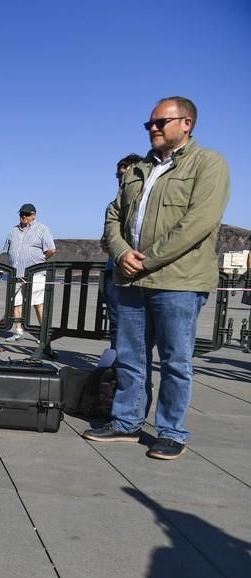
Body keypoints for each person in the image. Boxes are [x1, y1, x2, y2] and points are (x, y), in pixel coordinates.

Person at [84, 96, 230, 461]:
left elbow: (198, 223)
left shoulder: (208, 164)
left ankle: (171, 431)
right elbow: (113, 216)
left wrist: (144, 260)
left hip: (178, 282)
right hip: (130, 280)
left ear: (186, 124)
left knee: (175, 360)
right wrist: (120, 253)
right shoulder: (138, 170)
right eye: (149, 123)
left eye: (160, 122)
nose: (153, 128)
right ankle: (127, 422)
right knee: (131, 356)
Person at [102, 153, 143, 347]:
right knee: (116, 324)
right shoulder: (112, 206)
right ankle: (116, 368)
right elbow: (107, 240)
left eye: (126, 175)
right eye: (119, 176)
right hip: (114, 272)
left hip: (140, 273)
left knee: (139, 328)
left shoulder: (146, 205)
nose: (122, 180)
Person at [0, 203, 56, 341]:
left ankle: (43, 333)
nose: (23, 217)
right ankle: (18, 331)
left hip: (35, 274)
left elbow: (51, 249)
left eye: (26, 214)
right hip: (17, 274)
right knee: (16, 302)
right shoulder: (13, 231)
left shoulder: (42, 229)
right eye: (21, 214)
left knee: (38, 303)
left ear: (33, 215)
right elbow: (6, 250)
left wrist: (39, 261)